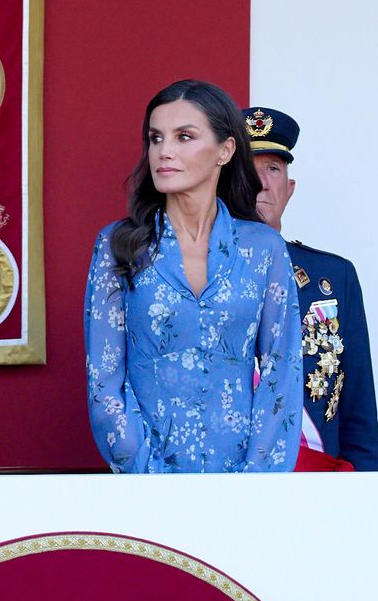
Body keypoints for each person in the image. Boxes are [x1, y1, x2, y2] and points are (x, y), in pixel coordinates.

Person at [85, 77, 302, 473]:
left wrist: (256, 483)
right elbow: (104, 384)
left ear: (225, 149)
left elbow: (281, 373)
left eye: (184, 137)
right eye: (155, 138)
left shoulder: (263, 250)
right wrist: (152, 477)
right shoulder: (117, 244)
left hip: (246, 492)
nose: (164, 151)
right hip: (145, 486)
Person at [243, 105, 378, 470]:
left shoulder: (333, 279)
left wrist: (372, 501)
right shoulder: (197, 277)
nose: (262, 183)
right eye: (248, 170)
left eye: (273, 169)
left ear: (289, 190)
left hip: (316, 490)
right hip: (226, 488)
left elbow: (358, 411)